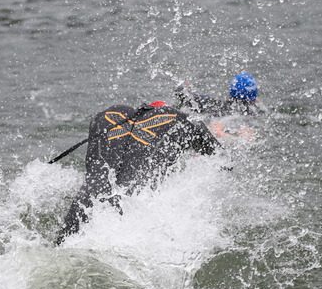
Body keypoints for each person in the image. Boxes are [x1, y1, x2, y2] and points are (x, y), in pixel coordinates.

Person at [53, 101, 219, 245]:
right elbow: (222, 161)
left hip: (85, 203)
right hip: (131, 211)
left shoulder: (104, 116)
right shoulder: (184, 120)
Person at [174, 73, 264, 117]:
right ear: (254, 98)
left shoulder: (215, 105)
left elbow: (180, 92)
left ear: (230, 93)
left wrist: (187, 87)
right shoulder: (257, 113)